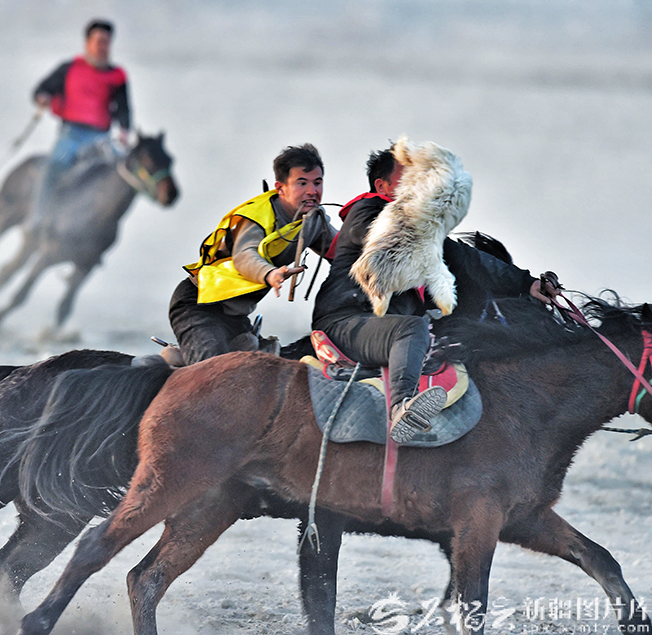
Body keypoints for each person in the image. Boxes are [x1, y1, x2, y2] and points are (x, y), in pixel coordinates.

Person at [312, 145, 557, 443]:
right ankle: (402, 406)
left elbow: (466, 258)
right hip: (346, 321)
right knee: (411, 329)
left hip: (376, 325)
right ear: (382, 186)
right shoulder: (367, 213)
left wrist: (525, 283)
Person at [169, 143, 335, 366]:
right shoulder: (256, 217)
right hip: (199, 304)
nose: (312, 191)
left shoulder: (315, 220)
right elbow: (244, 256)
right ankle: (177, 364)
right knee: (213, 375)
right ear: (280, 188)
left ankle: (184, 357)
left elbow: (343, 250)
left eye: (317, 182)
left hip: (234, 316)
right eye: (301, 183)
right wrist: (270, 274)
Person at [32, 19, 131, 222]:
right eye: (99, 41)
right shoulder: (70, 69)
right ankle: (39, 218)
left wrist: (124, 130)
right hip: (72, 135)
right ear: (87, 43)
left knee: (121, 172)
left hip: (101, 137)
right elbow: (43, 89)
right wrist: (43, 97)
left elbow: (124, 107)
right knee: (53, 168)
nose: (103, 47)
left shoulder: (116, 76)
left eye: (106, 42)